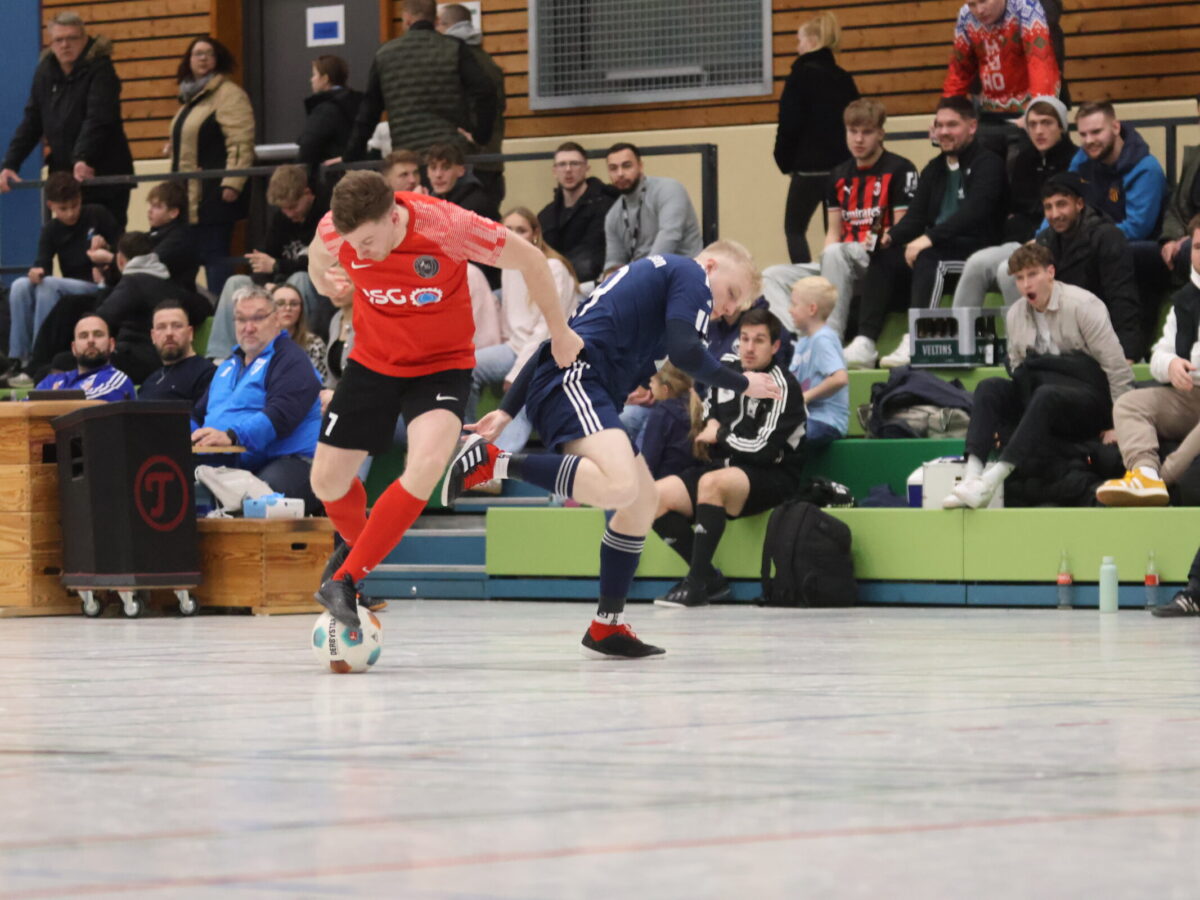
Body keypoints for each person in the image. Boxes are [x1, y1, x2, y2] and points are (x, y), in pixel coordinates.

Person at [443, 242, 783, 657]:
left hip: (576, 380)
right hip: (577, 380)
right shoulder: (692, 275)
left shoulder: (654, 278)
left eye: (736, 305)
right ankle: (495, 464)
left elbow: (559, 339)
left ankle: (607, 625)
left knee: (643, 502)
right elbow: (686, 352)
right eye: (731, 294)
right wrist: (744, 382)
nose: (727, 309)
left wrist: (507, 410)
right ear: (710, 265)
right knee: (621, 486)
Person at [305, 170, 579, 630]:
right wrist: (324, 283)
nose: (361, 253)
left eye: (368, 241)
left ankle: (346, 578)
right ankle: (359, 556)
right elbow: (318, 259)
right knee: (326, 482)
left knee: (427, 464)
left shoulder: (448, 226)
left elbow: (532, 260)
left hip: (440, 365)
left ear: (394, 217)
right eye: (353, 245)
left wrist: (559, 331)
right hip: (373, 360)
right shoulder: (338, 230)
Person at [942, 243, 1133, 509]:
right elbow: (1018, 368)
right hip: (1043, 395)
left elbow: (1117, 367)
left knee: (1046, 394)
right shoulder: (1015, 314)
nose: (1025, 284)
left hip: (1088, 398)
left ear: (1050, 273)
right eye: (1019, 278)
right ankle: (972, 477)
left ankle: (992, 481)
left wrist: (1120, 423)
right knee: (989, 387)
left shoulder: (1083, 305)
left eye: (1032, 275)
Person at [649, 308, 805, 609]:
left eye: (759, 340)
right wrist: (711, 423)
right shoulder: (728, 369)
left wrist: (720, 435)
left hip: (773, 475)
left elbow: (764, 450)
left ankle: (695, 586)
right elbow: (710, 409)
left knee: (712, 483)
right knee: (653, 497)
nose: (749, 347)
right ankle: (709, 579)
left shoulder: (782, 386)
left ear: (775, 346)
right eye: (744, 339)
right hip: (728, 466)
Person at [761, 97, 917, 364]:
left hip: (879, 259)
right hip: (842, 258)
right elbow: (833, 233)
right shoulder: (838, 175)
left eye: (867, 132)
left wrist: (863, 245)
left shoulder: (900, 169)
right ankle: (801, 339)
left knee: (836, 253)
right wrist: (822, 276)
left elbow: (902, 230)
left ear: (881, 133)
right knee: (772, 276)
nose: (858, 139)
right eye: (852, 131)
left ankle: (828, 343)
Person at [868, 96, 1006, 368]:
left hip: (977, 251)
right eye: (939, 125)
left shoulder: (989, 164)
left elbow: (975, 213)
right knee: (884, 257)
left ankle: (917, 339)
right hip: (940, 247)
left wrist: (928, 238)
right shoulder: (934, 169)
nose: (943, 131)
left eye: (952, 125)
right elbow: (916, 216)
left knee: (930, 258)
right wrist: (891, 237)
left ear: (972, 126)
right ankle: (865, 341)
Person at [1097, 217, 1200, 509]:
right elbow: (1159, 353)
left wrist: (1188, 361)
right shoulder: (1185, 300)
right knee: (1129, 404)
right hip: (1190, 395)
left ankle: (1159, 481)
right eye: (1197, 247)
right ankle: (1145, 473)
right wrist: (1171, 365)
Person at [192, 286, 323, 512]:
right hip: (230, 463)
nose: (249, 327)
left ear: (276, 320)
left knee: (258, 501)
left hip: (291, 462)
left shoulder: (291, 359)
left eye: (258, 318)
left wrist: (231, 436)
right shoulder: (227, 366)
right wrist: (191, 436)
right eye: (241, 319)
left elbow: (280, 415)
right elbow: (197, 414)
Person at [0, 11, 134, 229]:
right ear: (51, 43)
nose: (65, 45)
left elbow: (98, 118)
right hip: (65, 177)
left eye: (72, 38)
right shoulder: (45, 71)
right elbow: (32, 121)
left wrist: (82, 157)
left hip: (102, 174)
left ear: (85, 39)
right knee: (68, 241)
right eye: (59, 40)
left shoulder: (102, 70)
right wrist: (10, 163)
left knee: (105, 239)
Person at [468, 207, 579, 453]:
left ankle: (497, 460)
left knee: (521, 395)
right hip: (515, 349)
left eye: (521, 230)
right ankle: (463, 442)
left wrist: (517, 373)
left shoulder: (553, 268)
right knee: (465, 366)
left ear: (536, 234)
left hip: (551, 354)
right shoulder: (508, 265)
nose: (514, 235)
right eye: (507, 229)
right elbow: (512, 324)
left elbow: (546, 331)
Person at [952, 95, 1076, 310]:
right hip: (1021, 241)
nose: (1039, 131)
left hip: (1056, 242)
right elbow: (1015, 209)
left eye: (1046, 123)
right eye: (1032, 124)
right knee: (976, 263)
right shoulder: (1024, 159)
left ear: (1061, 127)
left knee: (1008, 270)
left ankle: (1026, 332)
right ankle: (959, 330)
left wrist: (1040, 237)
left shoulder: (1075, 160)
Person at [341, 0, 497, 162]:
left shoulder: (385, 54)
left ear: (407, 18)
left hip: (408, 156)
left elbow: (369, 112)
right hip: (451, 153)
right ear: (436, 19)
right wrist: (481, 137)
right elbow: (485, 90)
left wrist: (351, 156)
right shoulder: (454, 47)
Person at [206, 164, 331, 359]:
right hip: (280, 282)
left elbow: (318, 264)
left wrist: (277, 267)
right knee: (235, 283)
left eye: (293, 207)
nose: (289, 213)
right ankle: (220, 357)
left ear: (308, 194)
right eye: (283, 209)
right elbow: (263, 258)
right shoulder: (281, 219)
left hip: (318, 290)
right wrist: (267, 283)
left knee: (299, 279)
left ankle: (300, 351)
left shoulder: (327, 215)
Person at [7, 172, 118, 382]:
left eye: (74, 206)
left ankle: (39, 358)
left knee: (48, 285)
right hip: (67, 285)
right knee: (20, 285)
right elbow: (43, 262)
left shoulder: (98, 214)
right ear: (51, 206)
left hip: (95, 284)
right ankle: (19, 358)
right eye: (63, 209)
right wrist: (36, 272)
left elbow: (122, 253)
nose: (70, 213)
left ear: (80, 198)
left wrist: (106, 249)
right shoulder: (51, 229)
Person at [166, 36, 256, 295]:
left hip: (214, 195)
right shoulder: (190, 97)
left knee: (215, 259)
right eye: (197, 53)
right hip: (186, 197)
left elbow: (240, 141)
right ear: (189, 60)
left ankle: (222, 311)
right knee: (184, 261)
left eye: (209, 53)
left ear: (218, 60)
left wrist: (233, 182)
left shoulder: (229, 95)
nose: (203, 58)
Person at [1022, 172, 1141, 362]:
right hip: (1061, 340)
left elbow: (1122, 297)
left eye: (1061, 204)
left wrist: (1126, 352)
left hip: (1100, 339)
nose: (1055, 214)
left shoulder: (1107, 237)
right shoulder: (1045, 241)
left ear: (1079, 204)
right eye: (1048, 207)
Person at [773, 11, 860, 265]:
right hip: (842, 167)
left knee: (794, 229)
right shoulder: (843, 78)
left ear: (812, 41)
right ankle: (839, 278)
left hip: (808, 168)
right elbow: (856, 120)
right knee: (836, 230)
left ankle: (805, 279)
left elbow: (789, 123)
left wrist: (784, 160)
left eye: (799, 41)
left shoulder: (800, 76)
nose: (797, 47)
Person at [942, 0, 1061, 162]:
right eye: (972, 4)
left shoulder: (1026, 6)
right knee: (982, 167)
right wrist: (945, 115)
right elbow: (959, 70)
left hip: (1027, 110)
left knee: (1019, 166)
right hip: (989, 112)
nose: (979, 10)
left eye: (984, 1)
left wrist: (1037, 113)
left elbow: (1040, 62)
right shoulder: (965, 15)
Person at [94, 231, 211, 382]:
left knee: (72, 360)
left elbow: (99, 320)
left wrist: (102, 285)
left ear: (120, 260)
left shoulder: (132, 282)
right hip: (160, 358)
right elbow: (204, 308)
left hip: (135, 359)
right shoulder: (169, 283)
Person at [437, 3, 506, 211]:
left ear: (444, 25)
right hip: (492, 157)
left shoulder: (457, 59)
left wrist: (476, 136)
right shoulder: (486, 59)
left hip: (468, 159)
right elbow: (501, 106)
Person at [1070, 102, 1167, 244]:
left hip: (1135, 247)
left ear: (1116, 127)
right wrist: (1043, 239)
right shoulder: (1081, 159)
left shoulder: (1145, 168)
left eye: (1096, 132)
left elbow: (1137, 229)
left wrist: (1083, 238)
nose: (1089, 140)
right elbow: (1063, 199)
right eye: (1083, 134)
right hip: (1090, 240)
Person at [602, 143, 703, 274]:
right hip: (642, 276)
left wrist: (639, 277)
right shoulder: (613, 215)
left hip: (683, 274)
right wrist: (609, 276)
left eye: (627, 166)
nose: (620, 173)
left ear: (640, 166)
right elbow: (614, 261)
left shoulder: (668, 189)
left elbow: (669, 237)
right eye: (613, 168)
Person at [538, 141, 618, 286]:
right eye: (562, 164)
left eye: (574, 164)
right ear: (554, 171)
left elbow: (592, 257)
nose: (568, 169)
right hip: (554, 282)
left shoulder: (606, 205)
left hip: (592, 283)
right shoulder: (546, 215)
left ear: (587, 168)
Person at [788, 277, 848, 448]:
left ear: (812, 309)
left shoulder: (823, 339)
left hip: (826, 421)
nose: (789, 310)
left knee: (785, 437)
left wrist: (806, 397)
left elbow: (840, 378)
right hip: (806, 418)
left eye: (794, 304)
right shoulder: (802, 343)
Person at [35, 314, 134, 402]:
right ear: (74, 348)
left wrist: (51, 400)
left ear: (111, 344)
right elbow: (28, 405)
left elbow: (87, 405)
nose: (91, 340)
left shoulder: (117, 380)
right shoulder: (53, 380)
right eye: (83, 336)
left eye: (98, 335)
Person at [138, 300, 217, 404]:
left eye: (177, 326)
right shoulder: (149, 382)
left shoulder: (207, 374)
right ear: (153, 336)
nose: (169, 333)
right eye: (161, 327)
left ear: (190, 333)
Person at [297, 55, 362, 179]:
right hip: (358, 175)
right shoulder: (358, 104)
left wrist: (298, 176)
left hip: (331, 177)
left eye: (314, 75)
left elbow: (308, 146)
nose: (311, 80)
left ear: (325, 79)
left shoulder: (325, 109)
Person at [1159, 95, 1200, 284]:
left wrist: (1191, 236)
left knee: (1188, 251)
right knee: (1136, 253)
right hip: (1189, 236)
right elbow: (1176, 207)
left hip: (1193, 237)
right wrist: (1171, 239)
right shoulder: (1194, 158)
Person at [638, 363, 700, 481]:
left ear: (665, 389)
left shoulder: (661, 414)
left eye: (652, 382)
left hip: (662, 481)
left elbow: (648, 463)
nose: (650, 385)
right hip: (688, 482)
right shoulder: (696, 406)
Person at [425, 142, 500, 221]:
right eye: (433, 168)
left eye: (446, 168)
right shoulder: (429, 200)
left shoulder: (476, 203)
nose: (438, 175)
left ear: (461, 170)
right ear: (427, 172)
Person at [146, 180, 200, 291]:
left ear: (173, 213)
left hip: (175, 295)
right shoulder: (156, 233)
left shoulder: (179, 238)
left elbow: (150, 262)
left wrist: (114, 259)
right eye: (150, 205)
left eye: (157, 206)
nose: (150, 210)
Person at [272, 282, 329, 382]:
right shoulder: (258, 342)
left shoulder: (314, 343)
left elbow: (319, 383)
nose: (288, 308)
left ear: (301, 309)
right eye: (280, 303)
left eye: (294, 304)